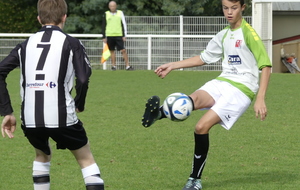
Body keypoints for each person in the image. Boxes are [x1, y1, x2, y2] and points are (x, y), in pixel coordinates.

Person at [141, 0, 272, 189]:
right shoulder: (224, 34)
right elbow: (203, 58)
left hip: (241, 89)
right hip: (223, 81)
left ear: (243, 8)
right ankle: (158, 113)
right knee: (188, 101)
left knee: (201, 127)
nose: (229, 12)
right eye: (225, 8)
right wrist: (173, 65)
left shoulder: (249, 33)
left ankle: (195, 180)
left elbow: (265, 65)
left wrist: (260, 97)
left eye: (234, 8)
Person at [0, 0, 104, 189]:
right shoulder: (72, 43)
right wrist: (79, 103)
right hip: (62, 115)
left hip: (30, 119)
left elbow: (0, 71)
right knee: (86, 159)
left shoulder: (24, 45)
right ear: (64, 17)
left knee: (42, 156)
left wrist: (7, 111)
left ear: (39, 18)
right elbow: (82, 78)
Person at [102, 1, 134, 71]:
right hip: (110, 35)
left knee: (123, 50)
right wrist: (104, 36)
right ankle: (113, 66)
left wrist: (124, 35)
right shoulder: (106, 14)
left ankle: (127, 66)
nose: (112, 7)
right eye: (111, 6)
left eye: (113, 6)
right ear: (109, 7)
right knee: (112, 51)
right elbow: (104, 25)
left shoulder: (120, 13)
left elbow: (123, 24)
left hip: (119, 35)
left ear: (116, 6)